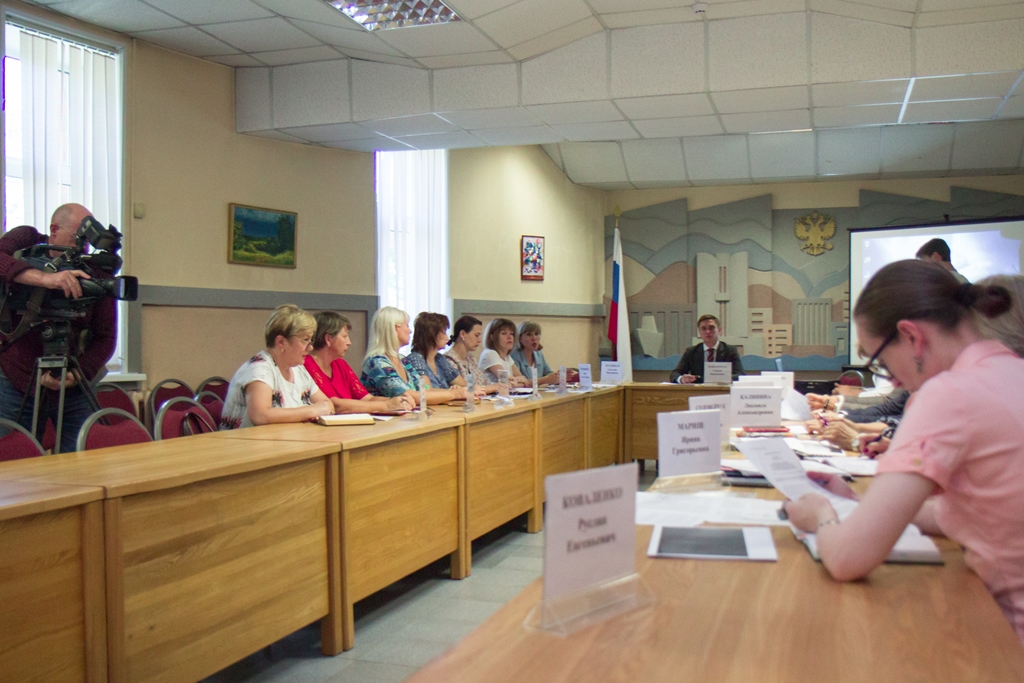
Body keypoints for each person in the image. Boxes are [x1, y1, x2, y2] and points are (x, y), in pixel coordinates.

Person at [782, 260, 1024, 644]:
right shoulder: (1009, 370)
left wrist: (822, 515)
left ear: (911, 336)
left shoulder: (949, 393)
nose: (892, 381)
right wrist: (865, 505)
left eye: (879, 361)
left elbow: (846, 559)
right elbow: (975, 511)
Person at [0, 203, 116, 453]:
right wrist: (47, 279)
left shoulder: (92, 270)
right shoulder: (27, 242)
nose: (83, 246)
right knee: (14, 463)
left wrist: (78, 374)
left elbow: (106, 338)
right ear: (54, 230)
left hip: (74, 384)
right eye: (78, 237)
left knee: (82, 461)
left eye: (88, 240)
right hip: (17, 381)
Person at [220, 304, 334, 429]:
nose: (310, 347)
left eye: (311, 340)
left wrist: (319, 409)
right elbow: (260, 415)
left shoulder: (298, 369)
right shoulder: (260, 368)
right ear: (281, 342)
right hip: (246, 440)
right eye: (305, 340)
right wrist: (312, 410)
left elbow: (327, 404)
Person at [304, 311, 413, 414]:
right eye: (345, 336)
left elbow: (366, 398)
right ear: (328, 339)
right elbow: (335, 405)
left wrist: (398, 401)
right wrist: (387, 405)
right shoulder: (308, 364)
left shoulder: (340, 364)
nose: (349, 342)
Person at [361, 306, 466, 404]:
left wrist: (455, 391)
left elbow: (426, 390)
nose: (410, 331)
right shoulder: (377, 362)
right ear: (396, 328)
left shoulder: (402, 360)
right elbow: (411, 396)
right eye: (407, 326)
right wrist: (455, 394)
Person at [669, 314, 743, 383]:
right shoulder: (691, 351)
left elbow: (740, 375)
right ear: (699, 332)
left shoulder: (730, 350)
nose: (708, 331)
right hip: (699, 391)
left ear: (719, 330)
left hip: (722, 389)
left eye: (711, 328)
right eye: (703, 329)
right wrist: (682, 379)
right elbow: (675, 374)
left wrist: (722, 378)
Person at [509, 320, 577, 385]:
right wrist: (546, 380)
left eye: (536, 334)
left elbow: (548, 373)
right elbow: (521, 382)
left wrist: (558, 376)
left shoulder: (538, 354)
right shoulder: (513, 355)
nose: (534, 338)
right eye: (529, 334)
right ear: (520, 338)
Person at [444, 315, 497, 394]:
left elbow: (484, 381)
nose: (479, 340)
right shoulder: (448, 359)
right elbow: (468, 388)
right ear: (463, 334)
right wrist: (496, 387)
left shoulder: (470, 358)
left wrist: (500, 385)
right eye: (476, 335)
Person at [478, 318, 529, 387]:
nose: (509, 337)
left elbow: (525, 380)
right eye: (504, 333)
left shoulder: (507, 357)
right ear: (492, 337)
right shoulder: (489, 354)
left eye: (511, 333)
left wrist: (516, 380)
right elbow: (506, 382)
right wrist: (518, 381)